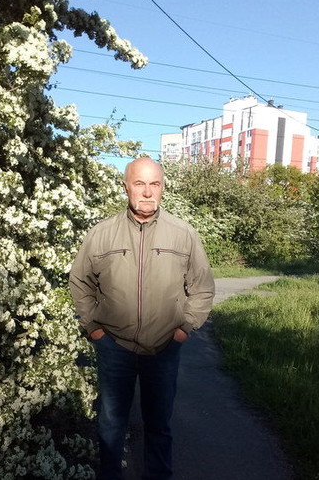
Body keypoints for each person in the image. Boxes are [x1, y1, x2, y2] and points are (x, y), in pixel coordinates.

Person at [69, 157, 215, 480]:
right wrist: (94, 328)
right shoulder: (101, 233)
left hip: (164, 348)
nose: (147, 192)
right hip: (114, 347)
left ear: (162, 187)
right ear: (126, 187)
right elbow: (80, 282)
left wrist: (184, 328)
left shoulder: (183, 234)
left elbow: (202, 287)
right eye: (139, 184)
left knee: (159, 425)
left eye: (154, 184)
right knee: (111, 423)